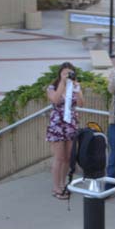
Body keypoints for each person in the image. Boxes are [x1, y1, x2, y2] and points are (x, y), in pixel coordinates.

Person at [46, 62, 84, 200]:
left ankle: (63, 184)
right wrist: (63, 82)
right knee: (59, 157)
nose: (68, 76)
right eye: (65, 73)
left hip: (71, 125)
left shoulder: (74, 86)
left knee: (68, 157)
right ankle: (56, 187)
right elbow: (56, 99)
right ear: (60, 73)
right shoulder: (52, 87)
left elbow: (80, 103)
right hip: (57, 125)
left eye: (70, 73)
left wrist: (77, 88)